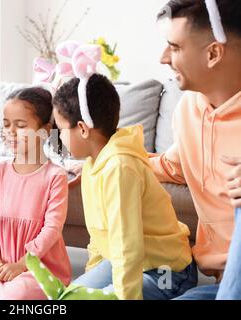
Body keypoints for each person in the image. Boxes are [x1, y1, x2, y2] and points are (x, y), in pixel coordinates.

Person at [52, 49, 196, 299]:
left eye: (61, 130)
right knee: (70, 296)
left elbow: (127, 247)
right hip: (125, 260)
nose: (59, 137)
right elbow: (99, 237)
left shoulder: (120, 168)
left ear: (83, 129)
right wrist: (88, 282)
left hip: (165, 271)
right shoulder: (91, 165)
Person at [149, 0, 241, 299]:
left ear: (213, 53)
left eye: (174, 47)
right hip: (220, 283)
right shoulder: (188, 108)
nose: (164, 58)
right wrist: (101, 158)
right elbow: (173, 165)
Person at [0, 87, 72, 300]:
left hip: (36, 263)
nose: (10, 131)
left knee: (16, 295)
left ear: (46, 130)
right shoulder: (0, 171)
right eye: (6, 124)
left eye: (20, 126)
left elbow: (52, 228)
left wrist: (21, 265)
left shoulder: (55, 177)